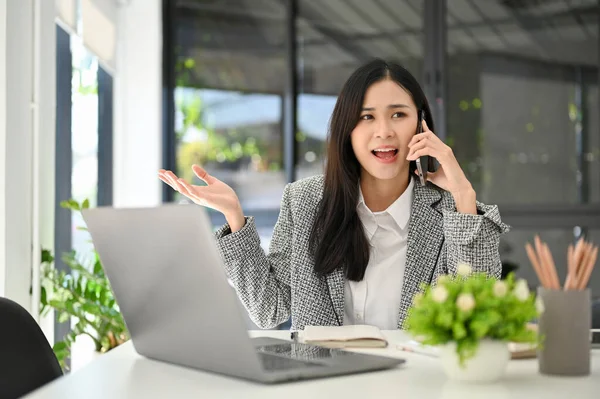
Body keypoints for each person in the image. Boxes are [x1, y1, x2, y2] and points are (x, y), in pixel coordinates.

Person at [158, 58, 510, 332]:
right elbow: (270, 310)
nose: (384, 131)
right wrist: (235, 217)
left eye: (398, 115)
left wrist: (464, 196)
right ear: (347, 129)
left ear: (421, 125)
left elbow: (474, 314)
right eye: (367, 117)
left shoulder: (452, 211)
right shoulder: (305, 201)